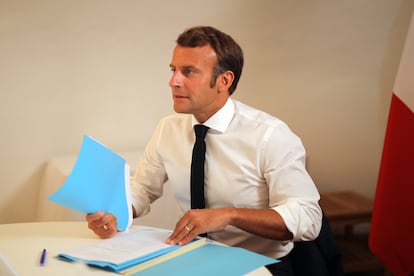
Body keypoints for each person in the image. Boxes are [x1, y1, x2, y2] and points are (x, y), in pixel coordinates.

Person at [86, 26, 322, 275]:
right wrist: (116, 213)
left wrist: (229, 216)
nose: (173, 81)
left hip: (258, 265)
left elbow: (308, 218)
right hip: (192, 258)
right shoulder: (168, 128)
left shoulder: (271, 135)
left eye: (188, 72)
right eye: (173, 70)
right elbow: (143, 189)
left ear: (224, 80)